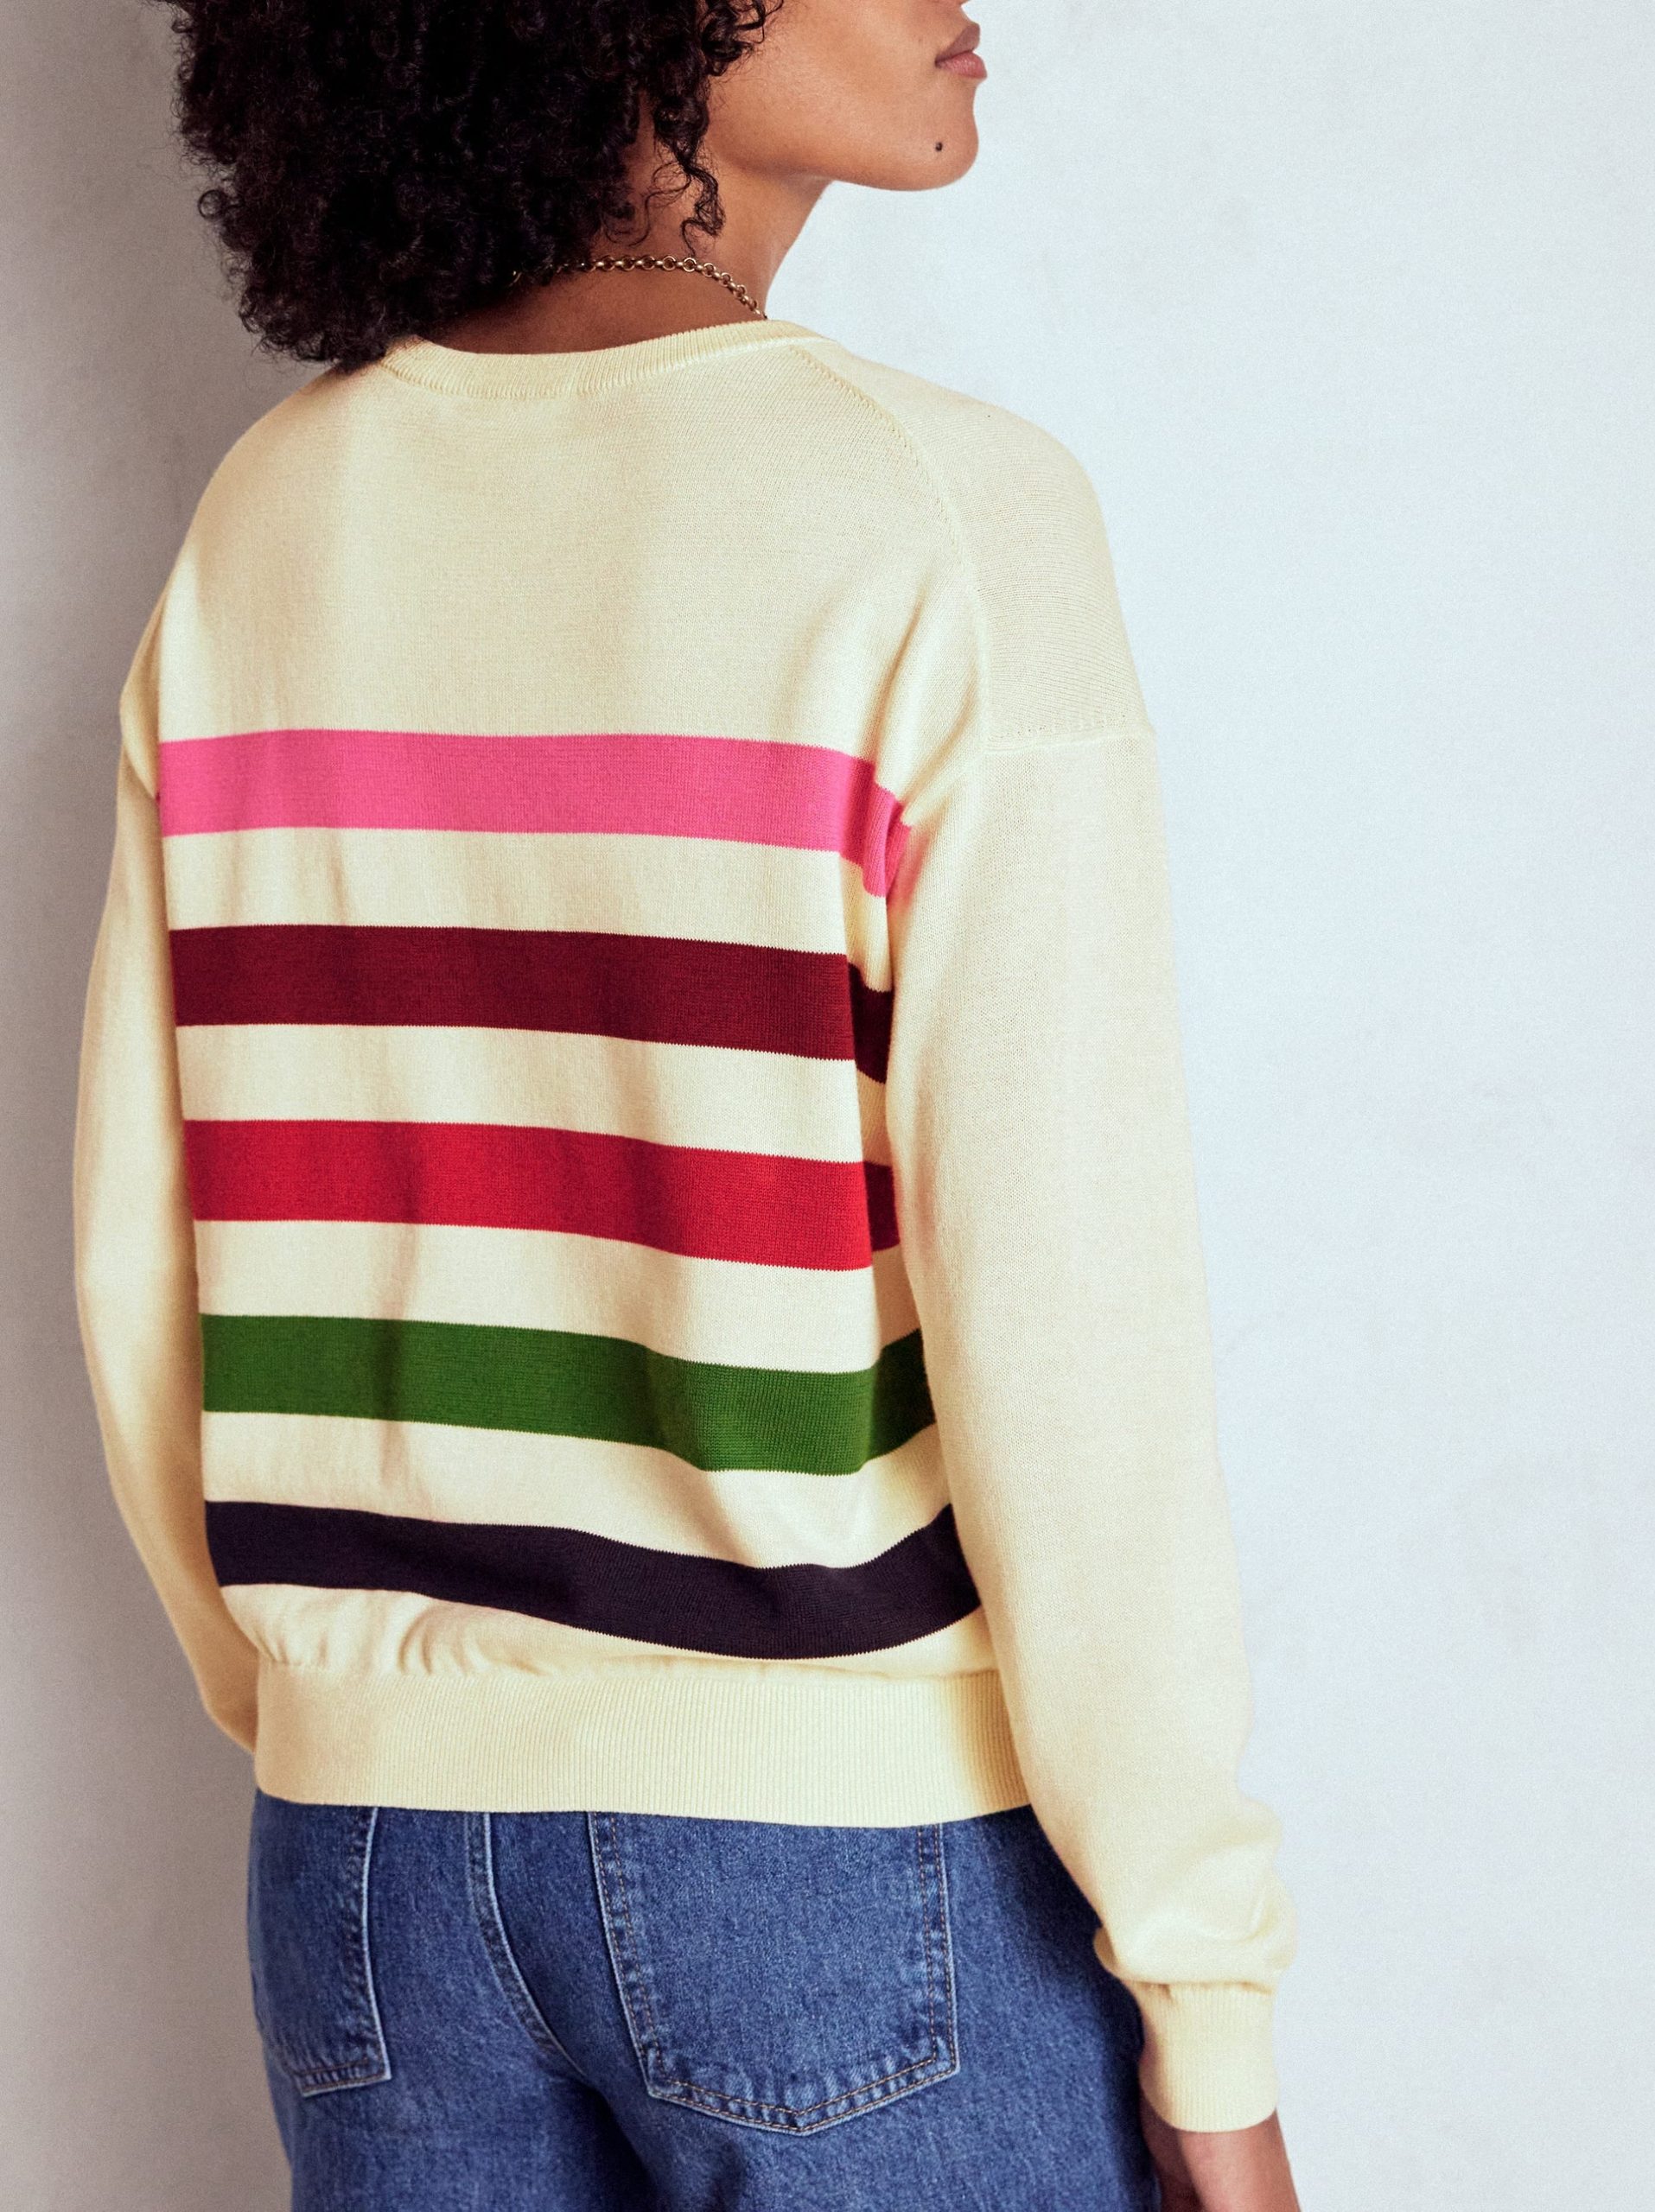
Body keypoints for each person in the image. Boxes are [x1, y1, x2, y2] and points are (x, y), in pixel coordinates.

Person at [73, 4, 1300, 2206]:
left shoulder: (271, 515)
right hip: (840, 1865)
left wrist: (367, 1717)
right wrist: (1208, 1998)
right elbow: (1069, 1331)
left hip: (370, 1877)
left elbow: (133, 1260)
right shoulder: (942, 510)